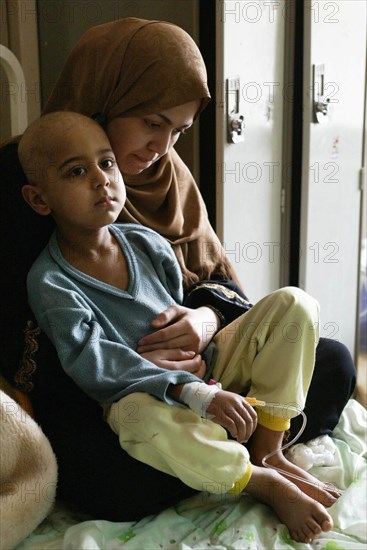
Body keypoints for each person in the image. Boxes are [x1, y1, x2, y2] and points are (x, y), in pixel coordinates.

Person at [0, 17, 355, 522]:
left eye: (179, 130)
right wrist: (164, 378)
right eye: (151, 122)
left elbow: (211, 285)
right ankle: (227, 455)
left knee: (335, 361)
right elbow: (38, 346)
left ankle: (248, 449)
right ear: (108, 99)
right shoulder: (23, 183)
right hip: (102, 392)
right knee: (108, 474)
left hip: (205, 370)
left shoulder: (164, 180)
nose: (162, 146)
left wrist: (204, 319)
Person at [19, 111, 336, 544]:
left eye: (107, 163)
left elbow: (182, 306)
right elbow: (93, 365)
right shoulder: (51, 282)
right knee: (138, 417)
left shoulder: (147, 243)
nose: (101, 180)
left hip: (208, 367)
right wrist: (190, 391)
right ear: (40, 200)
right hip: (142, 397)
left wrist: (207, 341)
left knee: (294, 305)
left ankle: (269, 450)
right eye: (77, 171)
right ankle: (261, 482)